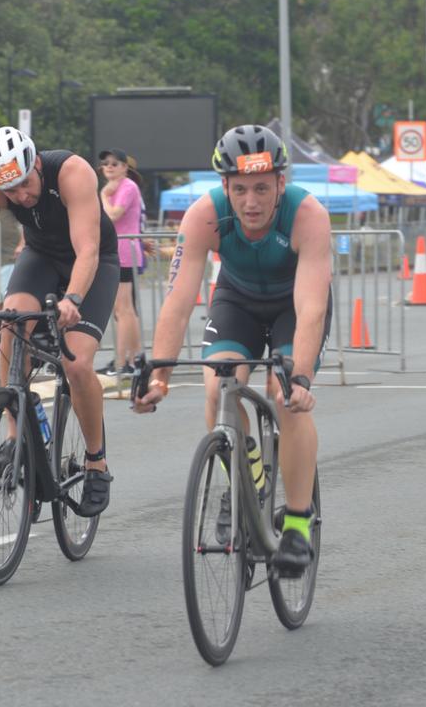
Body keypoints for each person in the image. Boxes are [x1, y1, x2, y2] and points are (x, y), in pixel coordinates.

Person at [133, 124, 333, 577]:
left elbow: (311, 307)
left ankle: (298, 522)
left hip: (292, 307)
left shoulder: (309, 215)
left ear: (282, 182)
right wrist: (158, 376)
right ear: (224, 186)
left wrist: (299, 378)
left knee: (286, 400)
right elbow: (179, 299)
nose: (251, 202)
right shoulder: (204, 215)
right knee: (217, 386)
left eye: (262, 188)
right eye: (240, 189)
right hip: (237, 301)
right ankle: (248, 482)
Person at [0, 126, 120, 517]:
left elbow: (87, 249)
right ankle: (16, 438)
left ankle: (96, 463)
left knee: (76, 363)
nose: (20, 196)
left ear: (36, 163)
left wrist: (73, 298)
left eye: (25, 183)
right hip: (40, 258)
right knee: (12, 325)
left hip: (91, 262)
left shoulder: (72, 172)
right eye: (11, 192)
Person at [96, 148, 149, 377]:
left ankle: (122, 363)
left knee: (123, 309)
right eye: (106, 163)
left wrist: (104, 197)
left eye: (114, 164)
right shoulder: (117, 187)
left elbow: (114, 215)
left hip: (125, 253)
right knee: (125, 310)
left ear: (125, 167)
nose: (109, 167)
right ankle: (135, 358)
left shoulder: (127, 187)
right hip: (120, 251)